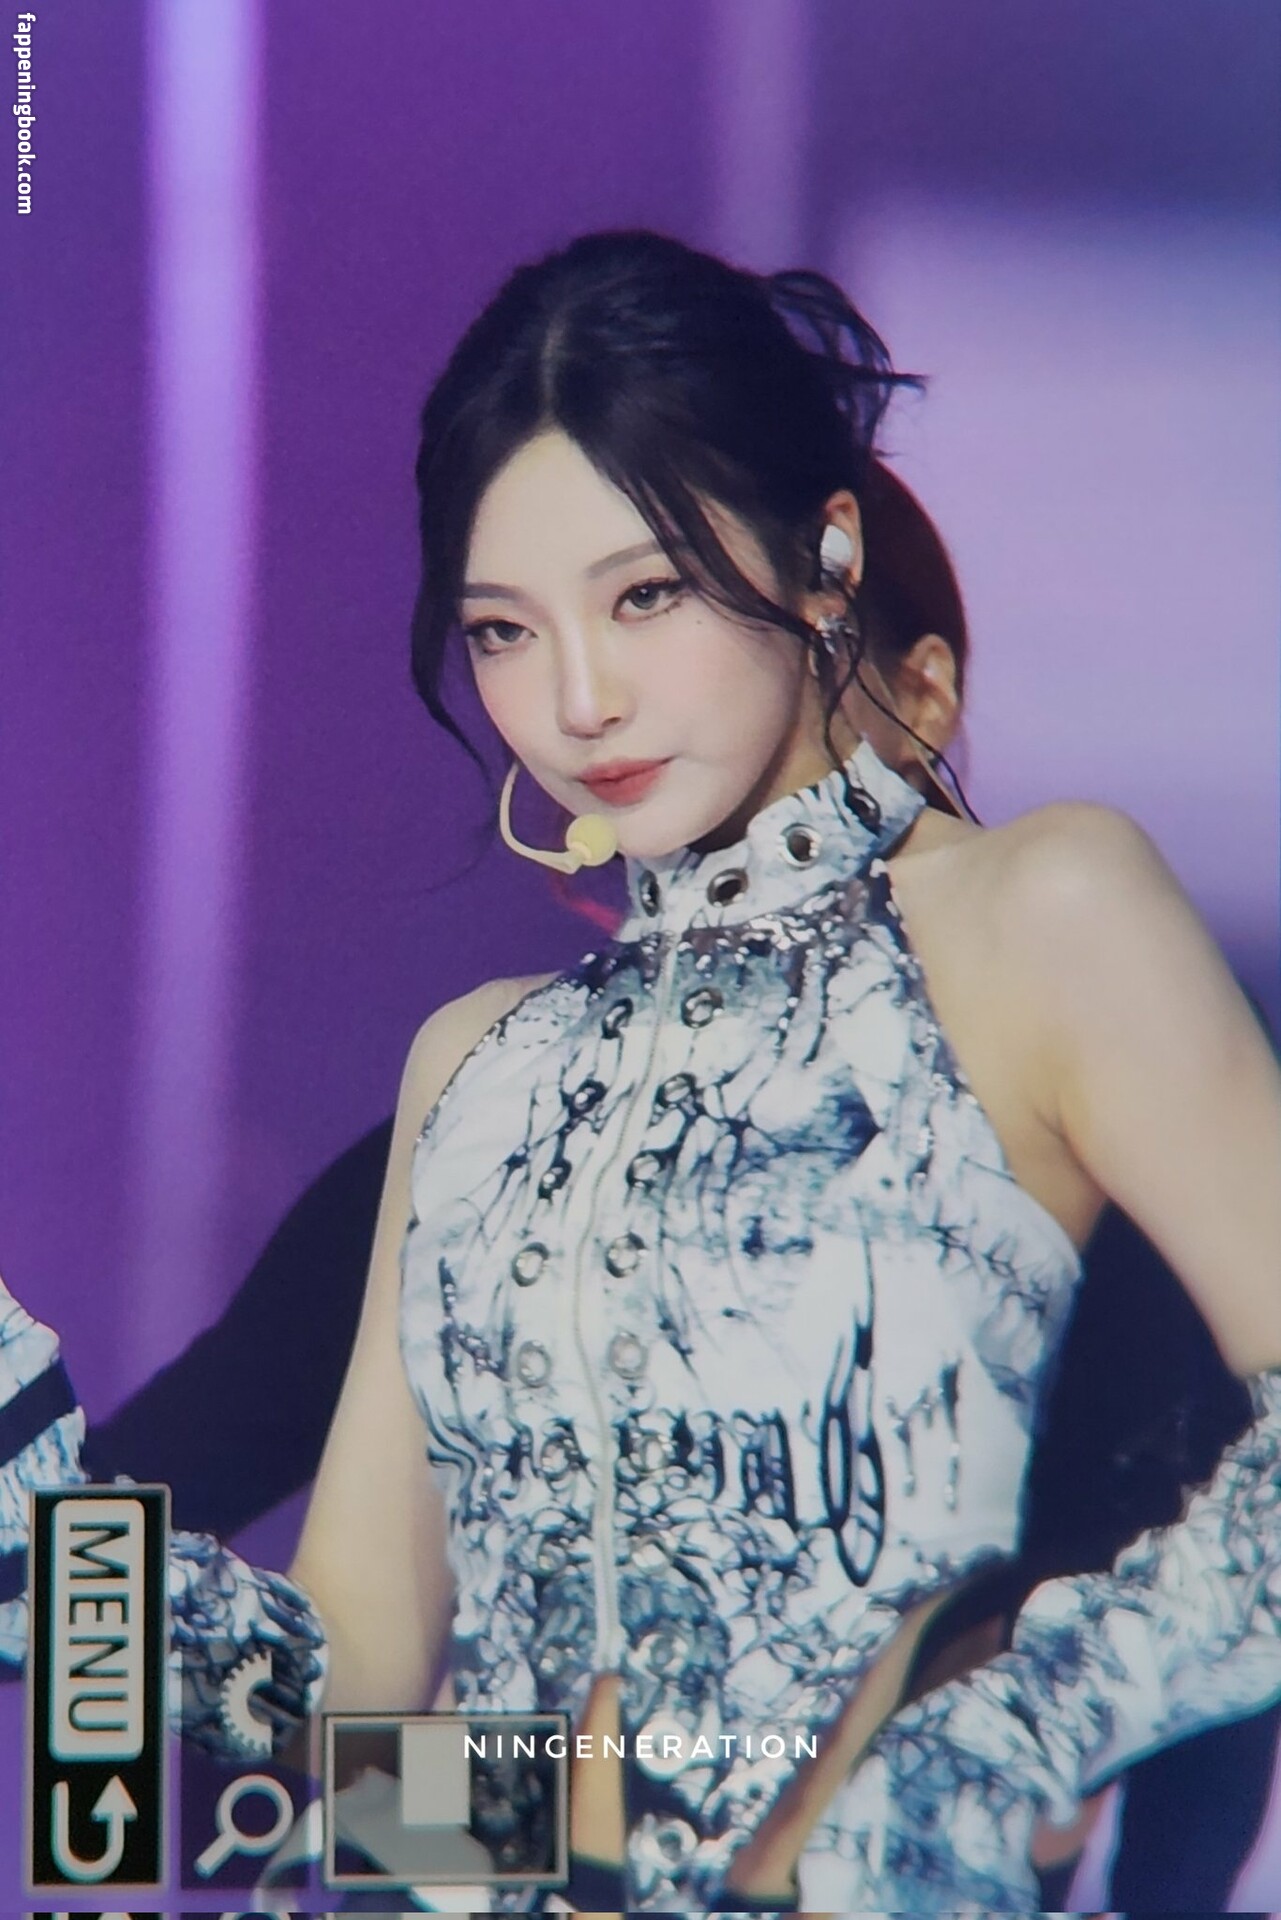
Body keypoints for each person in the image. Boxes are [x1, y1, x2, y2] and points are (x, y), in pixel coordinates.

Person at [2, 228, 1279, 1914]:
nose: (577, 699)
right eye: (502, 632)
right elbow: (354, 1704)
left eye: (645, 595)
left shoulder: (1043, 912)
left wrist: (1002, 1745)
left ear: (828, 555)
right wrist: (46, 1533)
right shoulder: (478, 1064)